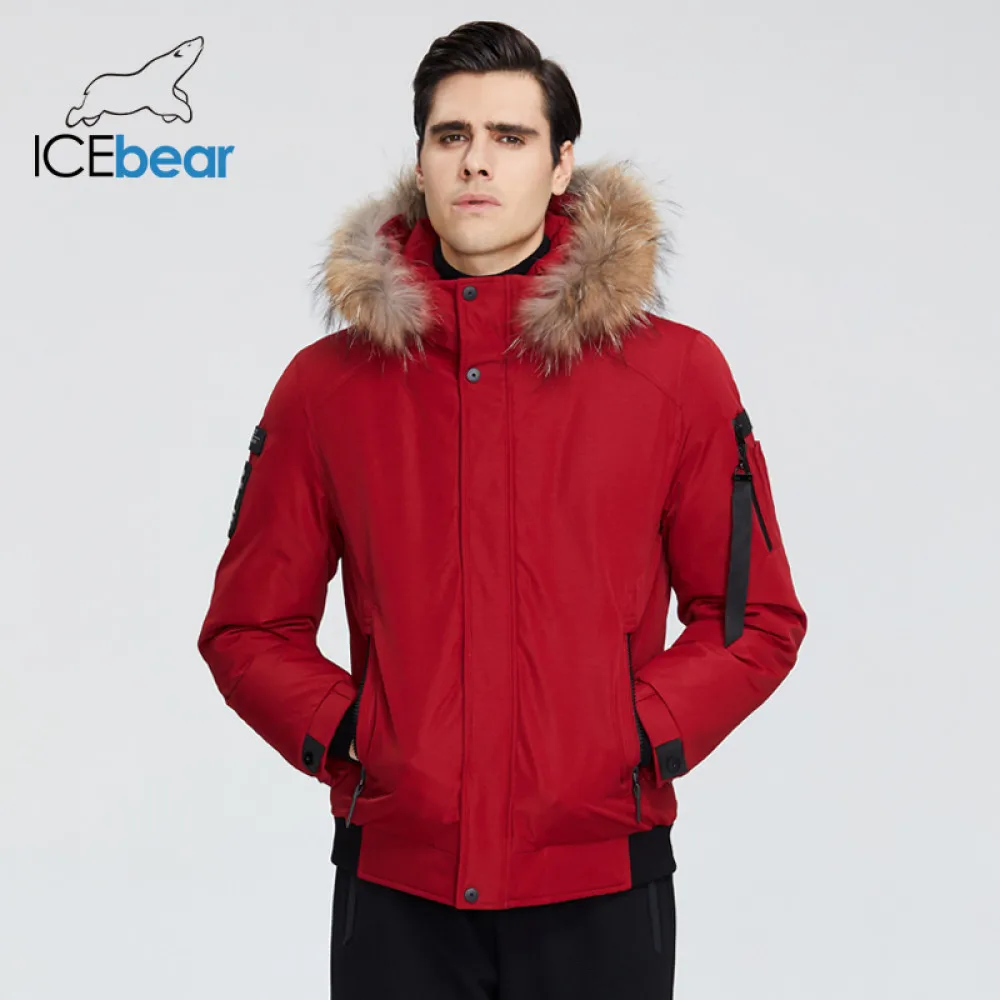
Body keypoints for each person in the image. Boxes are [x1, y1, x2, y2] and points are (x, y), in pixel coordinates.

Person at [197, 19, 808, 1000]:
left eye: (510, 137)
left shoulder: (675, 376)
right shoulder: (326, 388)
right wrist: (361, 736)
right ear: (421, 160)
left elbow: (752, 619)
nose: (476, 161)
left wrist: (626, 737)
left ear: (561, 165)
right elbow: (246, 627)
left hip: (602, 881)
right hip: (397, 888)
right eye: (451, 136)